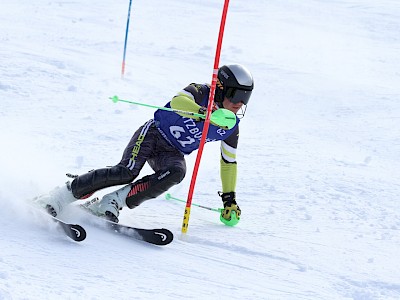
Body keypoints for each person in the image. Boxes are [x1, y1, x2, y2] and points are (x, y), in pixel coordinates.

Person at [34, 64, 254, 224]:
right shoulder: (201, 91)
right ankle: (59, 196)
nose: (240, 103)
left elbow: (228, 162)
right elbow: (178, 101)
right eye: (236, 94)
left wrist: (229, 199)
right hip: (153, 134)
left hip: (172, 152)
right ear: (222, 89)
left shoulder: (230, 126)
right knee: (126, 171)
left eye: (246, 97)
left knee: (176, 172)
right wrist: (202, 113)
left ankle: (112, 202)